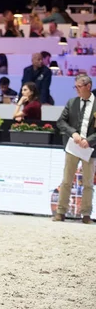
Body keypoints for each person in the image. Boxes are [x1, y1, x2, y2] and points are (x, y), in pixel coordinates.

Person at [54, 74, 95, 224]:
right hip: (73, 147)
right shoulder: (72, 102)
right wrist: (73, 133)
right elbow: (61, 122)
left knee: (88, 183)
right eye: (75, 87)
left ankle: (86, 214)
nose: (76, 90)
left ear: (88, 87)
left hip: (90, 149)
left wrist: (89, 141)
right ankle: (61, 211)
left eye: (79, 87)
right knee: (66, 180)